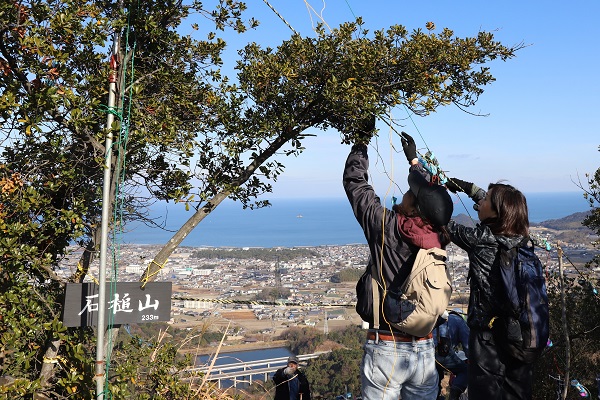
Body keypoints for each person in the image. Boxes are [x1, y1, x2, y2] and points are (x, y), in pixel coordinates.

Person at [344, 120, 454, 400]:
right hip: (425, 351)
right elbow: (435, 198)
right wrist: (414, 161)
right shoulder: (440, 235)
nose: (404, 193)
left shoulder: (387, 226)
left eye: (409, 193)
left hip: (387, 348)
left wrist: (361, 142)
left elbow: (356, 183)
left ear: (414, 205)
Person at [445, 177, 533, 399]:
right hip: (520, 336)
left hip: (488, 337)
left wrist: (420, 175)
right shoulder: (521, 239)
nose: (481, 201)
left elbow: (441, 220)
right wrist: (470, 189)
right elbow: (495, 207)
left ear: (496, 212)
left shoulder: (482, 239)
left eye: (486, 199)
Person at [433, 310, 470, 400]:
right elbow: (468, 346)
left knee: (436, 374)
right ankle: (454, 396)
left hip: (425, 350)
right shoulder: (459, 321)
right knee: (466, 371)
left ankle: (436, 396)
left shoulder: (439, 316)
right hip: (441, 353)